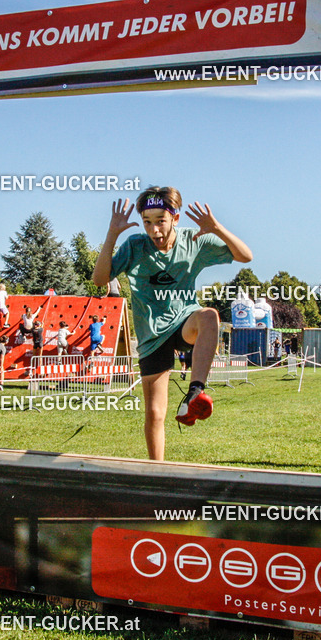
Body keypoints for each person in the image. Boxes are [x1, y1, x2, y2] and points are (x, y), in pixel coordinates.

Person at [93, 186, 252, 461]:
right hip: (151, 335)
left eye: (160, 221)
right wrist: (112, 234)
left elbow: (245, 256)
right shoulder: (135, 246)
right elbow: (99, 280)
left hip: (184, 322)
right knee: (155, 413)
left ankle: (195, 392)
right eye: (147, 222)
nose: (154, 230)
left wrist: (216, 228)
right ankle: (157, 472)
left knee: (209, 316)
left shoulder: (194, 241)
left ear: (175, 218)